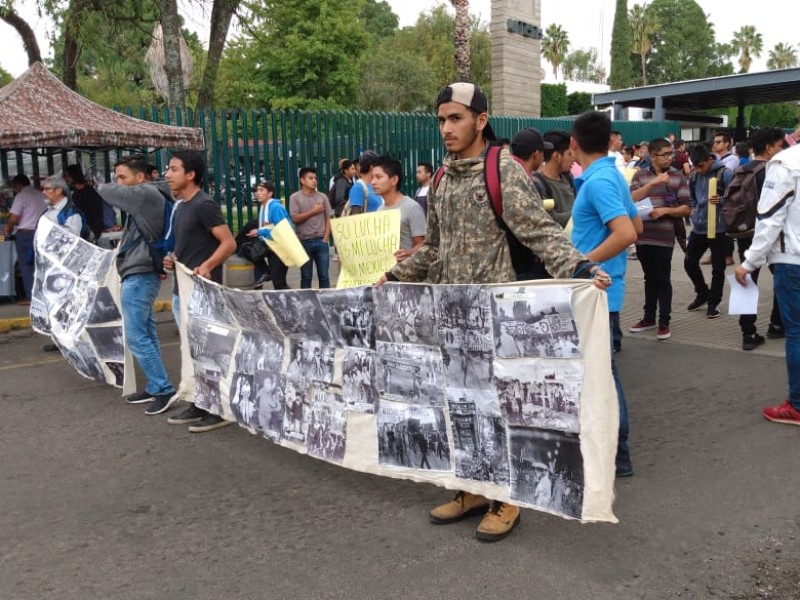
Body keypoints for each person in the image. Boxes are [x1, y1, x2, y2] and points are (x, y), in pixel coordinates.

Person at [376, 82, 611, 543]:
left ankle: (507, 499)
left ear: (480, 120)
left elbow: (539, 232)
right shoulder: (441, 177)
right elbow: (437, 251)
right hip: (450, 313)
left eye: (456, 118)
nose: (446, 127)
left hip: (492, 314)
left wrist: (580, 266)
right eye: (442, 119)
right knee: (457, 405)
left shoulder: (501, 169)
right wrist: (395, 276)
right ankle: (471, 489)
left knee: (497, 407)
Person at [568, 110, 641, 478]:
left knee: (603, 377)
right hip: (601, 291)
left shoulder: (598, 182)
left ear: (574, 143)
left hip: (593, 291)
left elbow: (627, 233)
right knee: (599, 374)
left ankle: (618, 453)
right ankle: (613, 451)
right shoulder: (611, 176)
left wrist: (581, 262)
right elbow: (637, 224)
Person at [98, 155, 179, 415]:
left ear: (141, 177)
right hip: (141, 272)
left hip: (141, 273)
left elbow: (105, 190)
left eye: (123, 177)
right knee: (146, 331)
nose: (118, 183)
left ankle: (163, 389)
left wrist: (105, 183)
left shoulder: (146, 194)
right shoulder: (150, 194)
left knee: (136, 336)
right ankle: (157, 386)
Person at [163, 150, 236, 433]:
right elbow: (186, 246)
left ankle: (219, 409)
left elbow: (228, 243)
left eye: (173, 169)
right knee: (192, 351)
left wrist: (207, 266)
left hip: (204, 293)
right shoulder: (181, 206)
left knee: (209, 351)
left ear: (191, 174)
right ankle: (199, 401)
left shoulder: (204, 204)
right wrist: (173, 259)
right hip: (184, 289)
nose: (167, 174)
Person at [734, 143, 800, 425]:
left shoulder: (786, 163)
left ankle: (797, 405)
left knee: (797, 332)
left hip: (793, 260)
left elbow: (770, 219)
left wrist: (749, 262)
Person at [628, 137, 692, 340]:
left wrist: (664, 210)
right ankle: (648, 317)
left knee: (663, 278)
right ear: (653, 156)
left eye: (671, 153)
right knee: (649, 278)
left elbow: (686, 207)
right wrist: (654, 182)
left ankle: (664, 321)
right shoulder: (640, 175)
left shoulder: (678, 176)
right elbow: (631, 199)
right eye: (665, 154)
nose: (670, 157)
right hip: (643, 234)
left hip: (664, 236)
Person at [731, 128, 786, 350]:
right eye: (779, 145)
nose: (781, 149)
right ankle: (776, 323)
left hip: (745, 231)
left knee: (746, 280)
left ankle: (747, 332)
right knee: (782, 279)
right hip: (770, 235)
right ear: (769, 147)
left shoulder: (742, 169)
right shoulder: (773, 171)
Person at [684, 143, 734, 319]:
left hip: (720, 229)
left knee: (718, 268)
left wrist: (720, 200)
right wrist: (694, 210)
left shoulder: (725, 174)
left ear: (710, 160)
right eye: (695, 166)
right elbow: (692, 197)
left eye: (701, 166)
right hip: (699, 228)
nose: (699, 169)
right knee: (689, 262)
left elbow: (735, 198)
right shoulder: (695, 176)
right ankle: (702, 292)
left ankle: (713, 303)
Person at [370, 156, 426, 263]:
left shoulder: (411, 208)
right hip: (384, 276)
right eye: (372, 177)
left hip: (406, 275)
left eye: (378, 177)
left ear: (394, 180)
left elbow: (423, 244)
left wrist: (408, 253)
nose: (373, 182)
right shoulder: (379, 211)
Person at [3, 175, 45, 305]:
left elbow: (14, 218)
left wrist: (7, 228)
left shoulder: (21, 196)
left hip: (25, 235)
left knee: (26, 266)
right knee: (41, 265)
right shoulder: (39, 194)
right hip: (41, 232)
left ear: (18, 185)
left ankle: (30, 296)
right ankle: (42, 294)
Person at [289, 167, 332, 289]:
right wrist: (313, 211)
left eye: (315, 178)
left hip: (320, 240)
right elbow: (295, 218)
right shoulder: (295, 197)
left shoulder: (322, 197)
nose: (314, 181)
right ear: (302, 180)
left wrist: (325, 238)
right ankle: (306, 304)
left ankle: (326, 302)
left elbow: (329, 218)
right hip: (304, 242)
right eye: (310, 178)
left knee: (324, 276)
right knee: (306, 276)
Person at [246, 180, 291, 290]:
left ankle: (291, 303)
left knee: (279, 283)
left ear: (270, 193)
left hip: (280, 248)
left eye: (261, 190)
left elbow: (283, 230)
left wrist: (259, 232)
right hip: (269, 245)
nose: (258, 193)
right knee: (246, 248)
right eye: (257, 190)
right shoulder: (264, 207)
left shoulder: (275, 207)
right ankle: (266, 271)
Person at [537, 129, 575, 228]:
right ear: (557, 156)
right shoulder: (539, 185)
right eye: (569, 154)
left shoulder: (568, 178)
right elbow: (550, 219)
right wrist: (581, 212)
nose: (573, 159)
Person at [63, 164, 110, 239]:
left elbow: (94, 214)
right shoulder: (78, 192)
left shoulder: (87, 194)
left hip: (90, 230)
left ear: (74, 175)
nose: (66, 179)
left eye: (67, 176)